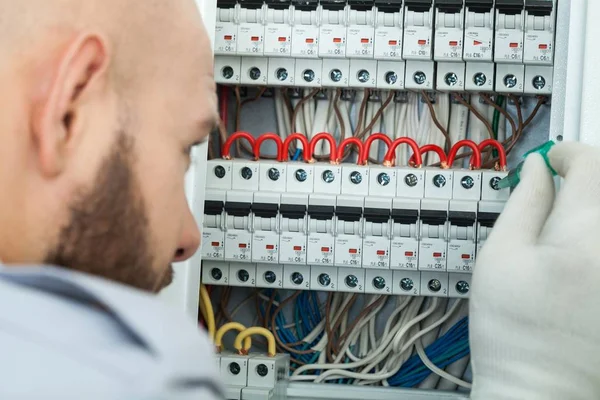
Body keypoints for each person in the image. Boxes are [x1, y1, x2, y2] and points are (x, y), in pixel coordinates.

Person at [0, 1, 598, 400]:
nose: (191, 237)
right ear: (70, 106)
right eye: (186, 148)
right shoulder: (134, 376)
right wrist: (536, 384)